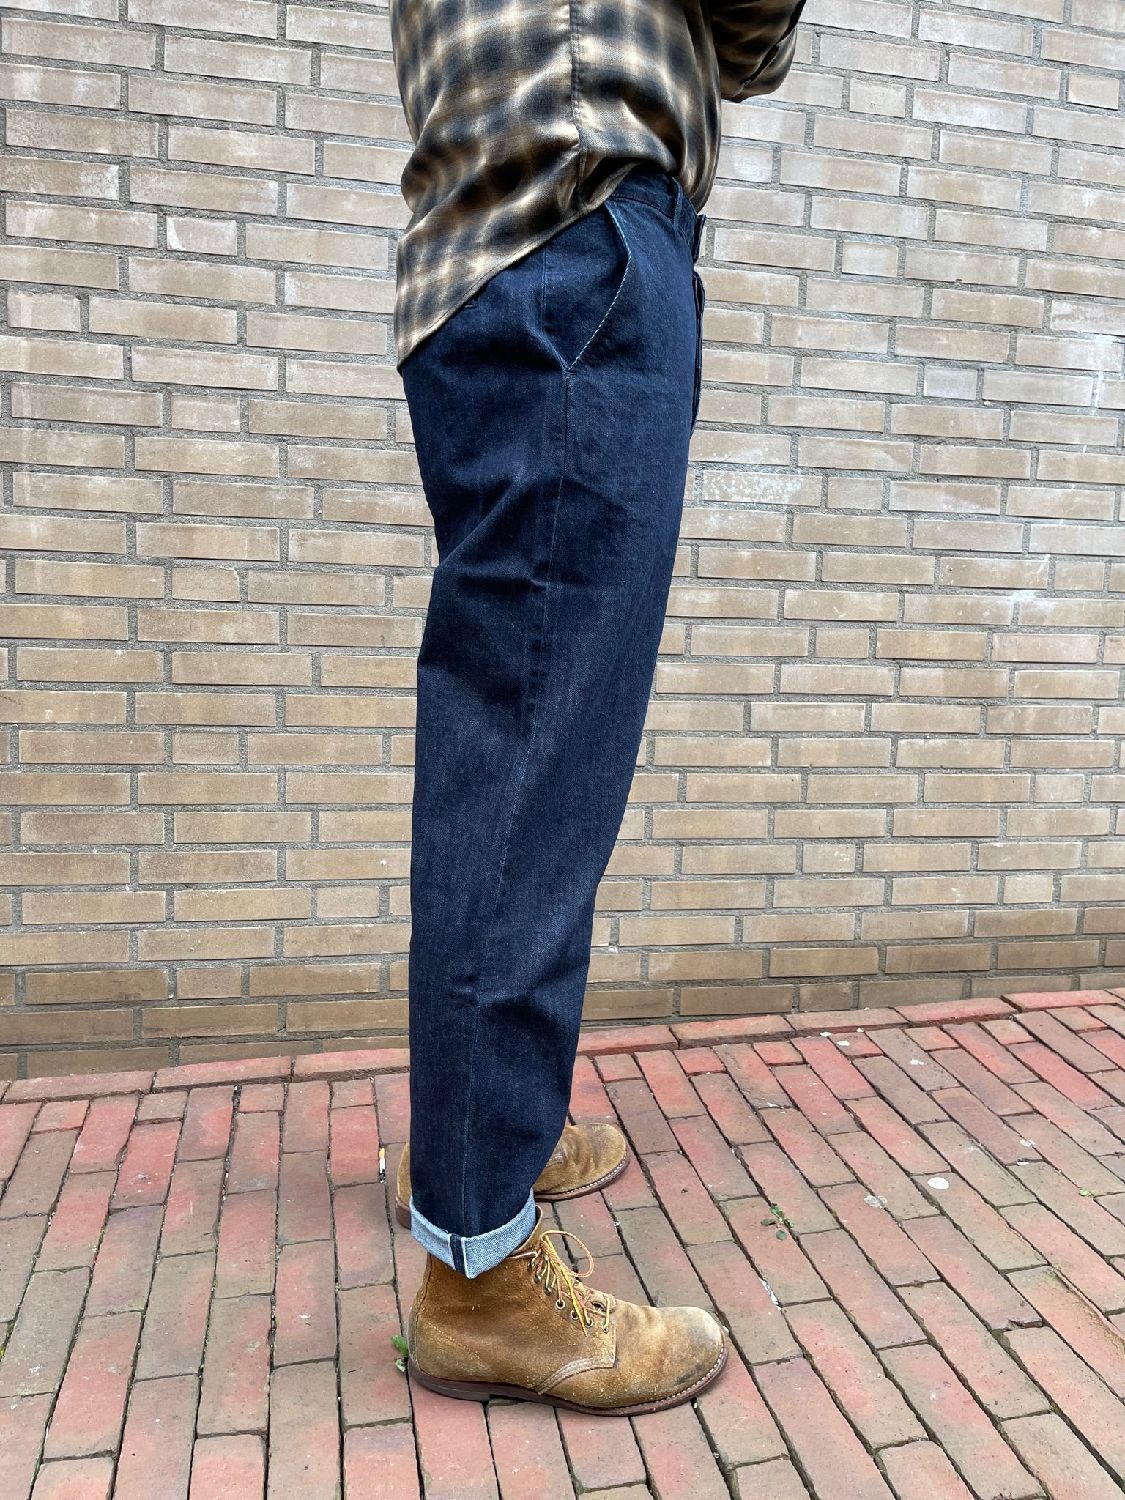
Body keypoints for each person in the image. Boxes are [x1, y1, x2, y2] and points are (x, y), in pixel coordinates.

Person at [389, 0, 806, 1414]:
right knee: (533, 767)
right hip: (581, 232)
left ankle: (474, 1146)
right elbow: (747, 35)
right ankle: (482, 1276)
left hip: (490, 244)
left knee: (509, 737)